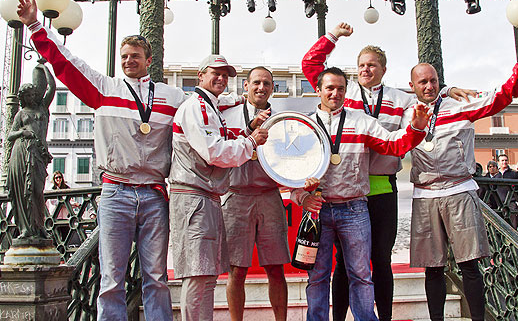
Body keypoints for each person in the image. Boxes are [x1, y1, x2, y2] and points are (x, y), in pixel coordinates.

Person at [17, 0, 186, 321]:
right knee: (111, 278)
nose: (128, 61)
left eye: (135, 56)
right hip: (115, 192)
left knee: (156, 278)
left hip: (153, 193)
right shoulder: (103, 90)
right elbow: (66, 63)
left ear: (148, 59)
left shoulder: (173, 97)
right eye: (123, 56)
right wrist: (36, 25)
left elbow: (203, 116)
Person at [302, 22, 474, 321]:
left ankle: (382, 318)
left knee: (379, 261)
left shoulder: (402, 98)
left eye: (372, 65)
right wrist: (333, 37)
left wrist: (444, 90)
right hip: (344, 192)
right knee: (343, 263)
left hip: (381, 188)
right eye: (361, 65)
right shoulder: (344, 92)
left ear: (383, 69)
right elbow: (311, 65)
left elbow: (425, 100)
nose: (366, 70)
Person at [402, 43, 518, 321]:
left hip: (460, 191)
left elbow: (500, 98)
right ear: (413, 85)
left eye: (434, 81)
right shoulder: (405, 112)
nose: (430, 86)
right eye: (423, 82)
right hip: (425, 195)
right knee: (432, 268)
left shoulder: (460, 104)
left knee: (469, 265)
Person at [291, 66, 430, 321]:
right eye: (329, 88)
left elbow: (393, 144)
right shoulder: (305, 125)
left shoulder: (360, 120)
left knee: (361, 275)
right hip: (317, 210)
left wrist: (416, 129)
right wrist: (302, 197)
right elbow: (290, 170)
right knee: (317, 276)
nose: (335, 93)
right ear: (318, 90)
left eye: (341, 88)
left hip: (354, 208)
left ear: (346, 91)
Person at [168, 55, 269, 321]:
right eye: (216, 73)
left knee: (206, 274)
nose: (222, 79)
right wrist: (253, 142)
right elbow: (215, 152)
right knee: (199, 274)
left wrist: (248, 129)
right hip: (193, 196)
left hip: (206, 195)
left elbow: (221, 142)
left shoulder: (209, 107)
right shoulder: (197, 107)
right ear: (200, 75)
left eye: (226, 75)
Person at [220, 66, 290, 321]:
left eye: (267, 84)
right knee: (237, 270)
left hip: (269, 196)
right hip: (235, 196)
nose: (261, 88)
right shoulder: (227, 115)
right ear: (245, 86)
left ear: (273, 88)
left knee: (275, 267)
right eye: (256, 83)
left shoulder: (283, 118)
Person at [6, 63, 55, 241]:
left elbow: (52, 87)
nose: (32, 97)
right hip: (21, 152)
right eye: (28, 95)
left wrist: (43, 68)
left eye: (34, 94)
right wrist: (22, 132)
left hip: (37, 154)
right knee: (23, 191)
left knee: (36, 190)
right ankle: (26, 229)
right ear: (23, 98)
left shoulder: (43, 108)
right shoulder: (21, 114)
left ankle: (39, 226)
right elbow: (11, 135)